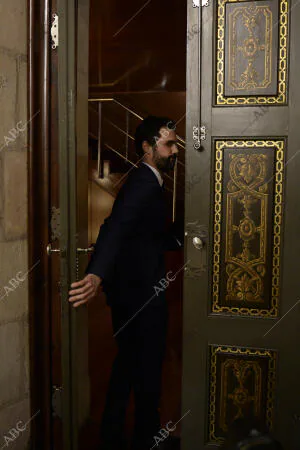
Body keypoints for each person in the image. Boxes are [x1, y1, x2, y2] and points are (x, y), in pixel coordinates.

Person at [68, 116, 183, 450]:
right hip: (137, 294)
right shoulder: (144, 183)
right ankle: (147, 437)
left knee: (129, 362)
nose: (175, 151)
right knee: (145, 365)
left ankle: (113, 432)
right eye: (169, 144)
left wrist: (179, 236)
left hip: (134, 290)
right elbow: (114, 227)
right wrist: (96, 273)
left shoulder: (151, 179)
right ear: (147, 148)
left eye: (175, 144)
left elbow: (143, 232)